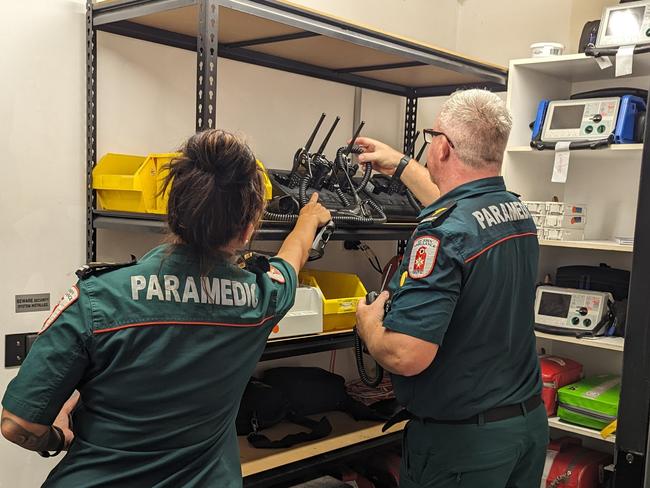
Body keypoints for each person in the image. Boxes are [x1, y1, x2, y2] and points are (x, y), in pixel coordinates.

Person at [1, 130, 331, 487]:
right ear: (247, 229)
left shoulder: (99, 298)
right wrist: (308, 219)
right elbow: (291, 259)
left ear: (173, 214)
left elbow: (18, 425)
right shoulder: (262, 297)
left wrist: (59, 437)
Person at [354, 89, 547, 488]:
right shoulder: (515, 211)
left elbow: (407, 355)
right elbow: (457, 207)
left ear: (442, 147)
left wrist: (369, 326)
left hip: (463, 446)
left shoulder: (442, 235)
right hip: (522, 428)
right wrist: (402, 165)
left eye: (430, 136)